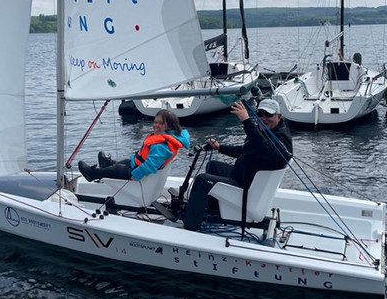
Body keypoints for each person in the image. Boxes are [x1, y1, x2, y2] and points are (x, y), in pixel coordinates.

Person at [182, 98, 293, 232]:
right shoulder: (268, 132)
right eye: (260, 114)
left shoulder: (280, 138)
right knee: (213, 166)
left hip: (246, 188)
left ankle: (191, 226)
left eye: (268, 115)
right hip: (244, 177)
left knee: (202, 180)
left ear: (279, 116)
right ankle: (216, 210)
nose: (263, 118)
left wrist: (247, 121)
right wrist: (219, 147)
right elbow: (245, 151)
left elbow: (265, 148)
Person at [78, 109, 189, 182]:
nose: (156, 125)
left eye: (161, 123)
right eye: (155, 122)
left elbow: (151, 165)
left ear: (169, 126)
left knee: (117, 168)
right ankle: (107, 164)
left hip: (136, 172)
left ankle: (92, 174)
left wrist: (136, 175)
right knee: (126, 161)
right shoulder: (172, 137)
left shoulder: (161, 145)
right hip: (135, 164)